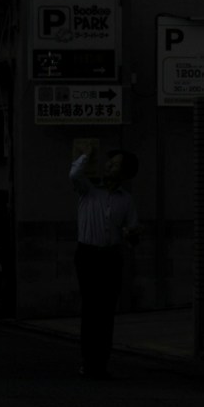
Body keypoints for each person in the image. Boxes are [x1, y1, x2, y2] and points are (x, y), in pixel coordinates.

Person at [70, 145, 141, 377]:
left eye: (115, 164)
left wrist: (131, 235)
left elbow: (133, 234)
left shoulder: (126, 200)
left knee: (107, 309)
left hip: (111, 256)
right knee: (91, 307)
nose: (109, 166)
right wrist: (86, 155)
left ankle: (101, 362)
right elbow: (74, 174)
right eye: (109, 162)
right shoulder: (88, 190)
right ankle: (88, 360)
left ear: (125, 173)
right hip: (88, 254)